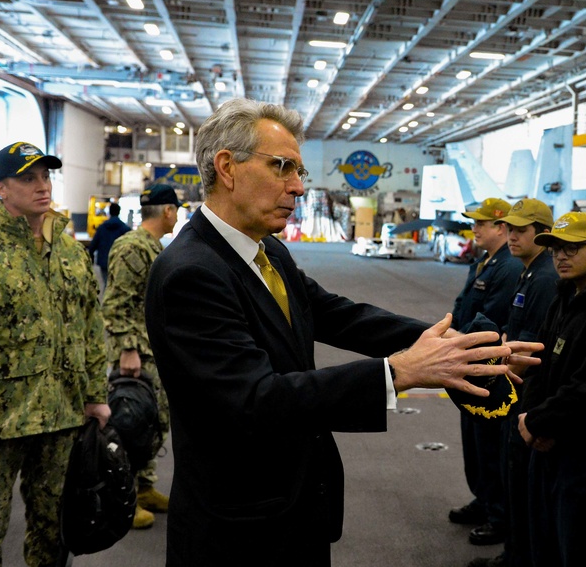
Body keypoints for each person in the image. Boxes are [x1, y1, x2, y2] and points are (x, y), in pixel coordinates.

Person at [144, 98, 541, 566]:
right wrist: (398, 373)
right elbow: (256, 399)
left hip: (293, 509)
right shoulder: (191, 273)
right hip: (240, 531)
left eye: (299, 172)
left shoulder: (266, 251)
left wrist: (457, 347)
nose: (296, 187)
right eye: (282, 167)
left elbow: (337, 315)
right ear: (228, 167)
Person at [0, 142, 109, 567]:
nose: (42, 186)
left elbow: (89, 327)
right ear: (1, 189)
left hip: (60, 418)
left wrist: (95, 393)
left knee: (53, 536)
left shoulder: (70, 254)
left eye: (45, 176)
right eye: (28, 178)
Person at [518, 212, 586, 567]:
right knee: (543, 544)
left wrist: (541, 421)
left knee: (582, 551)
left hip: (582, 458)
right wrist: (530, 419)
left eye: (573, 248)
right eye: (556, 248)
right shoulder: (563, 296)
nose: (561, 256)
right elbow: (537, 363)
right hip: (545, 446)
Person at [469, 197, 558, 567]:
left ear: (543, 234)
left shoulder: (545, 278)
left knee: (520, 481)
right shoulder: (528, 271)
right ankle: (514, 551)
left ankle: (517, 555)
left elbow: (535, 344)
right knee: (509, 472)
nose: (513, 237)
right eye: (512, 229)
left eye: (522, 231)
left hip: (523, 392)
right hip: (511, 385)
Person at [100, 184, 183, 530]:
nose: (177, 216)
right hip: (136, 355)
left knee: (153, 422)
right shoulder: (133, 247)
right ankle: (125, 497)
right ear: (167, 211)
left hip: (152, 349)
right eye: (176, 210)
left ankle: (145, 486)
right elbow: (116, 302)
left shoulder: (150, 246)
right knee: (131, 424)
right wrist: (128, 351)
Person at [449, 197, 522, 547]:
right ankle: (483, 498)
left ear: (501, 228)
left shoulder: (507, 268)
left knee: (490, 445)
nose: (474, 228)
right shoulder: (484, 260)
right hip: (467, 360)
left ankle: (498, 515)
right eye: (473, 222)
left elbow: (491, 319)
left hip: (483, 365)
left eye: (481, 223)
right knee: (475, 443)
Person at [88, 201, 130, 287]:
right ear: (119, 212)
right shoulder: (125, 229)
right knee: (117, 285)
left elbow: (94, 244)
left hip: (104, 261)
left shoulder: (102, 227)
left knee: (106, 284)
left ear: (109, 212)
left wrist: (90, 255)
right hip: (119, 261)